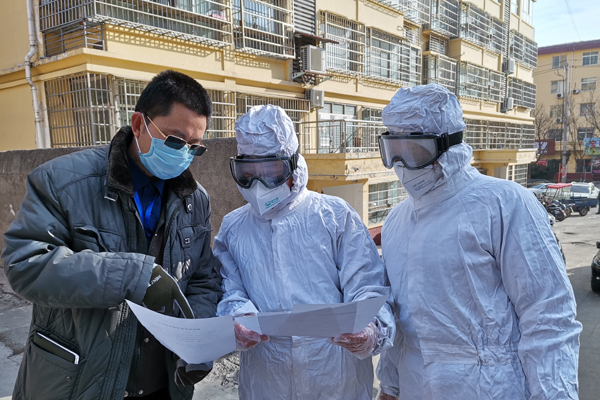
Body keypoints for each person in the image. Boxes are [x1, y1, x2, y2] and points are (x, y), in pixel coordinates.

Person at [2, 70, 223, 400]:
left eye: (195, 148)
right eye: (175, 142)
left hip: (164, 384)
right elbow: (26, 265)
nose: (183, 155)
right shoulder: (63, 182)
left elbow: (203, 279)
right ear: (138, 124)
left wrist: (197, 342)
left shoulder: (195, 199)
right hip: (80, 382)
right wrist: (130, 275)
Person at [375, 84, 582, 400]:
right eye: (393, 150)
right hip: (416, 386)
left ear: (447, 144)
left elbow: (548, 316)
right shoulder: (397, 222)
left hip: (489, 388)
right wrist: (390, 386)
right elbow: (401, 324)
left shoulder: (505, 203)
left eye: (415, 150)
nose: (401, 162)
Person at [214, 104, 395, 399]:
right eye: (248, 172)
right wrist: (238, 317)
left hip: (335, 373)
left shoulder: (335, 216)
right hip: (267, 376)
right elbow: (230, 289)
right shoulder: (234, 228)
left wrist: (370, 329)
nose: (258, 184)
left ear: (293, 164)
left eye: (271, 171)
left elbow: (367, 285)